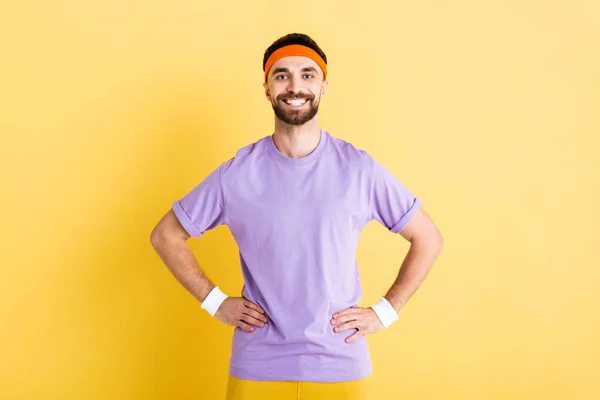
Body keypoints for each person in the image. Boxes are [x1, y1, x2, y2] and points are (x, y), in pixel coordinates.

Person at [150, 33, 444, 400]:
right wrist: (215, 302)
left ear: (323, 87)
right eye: (282, 75)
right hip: (257, 366)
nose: (295, 85)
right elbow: (165, 235)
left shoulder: (359, 170)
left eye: (307, 75)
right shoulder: (236, 174)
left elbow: (428, 238)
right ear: (267, 88)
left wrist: (385, 312)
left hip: (340, 364)